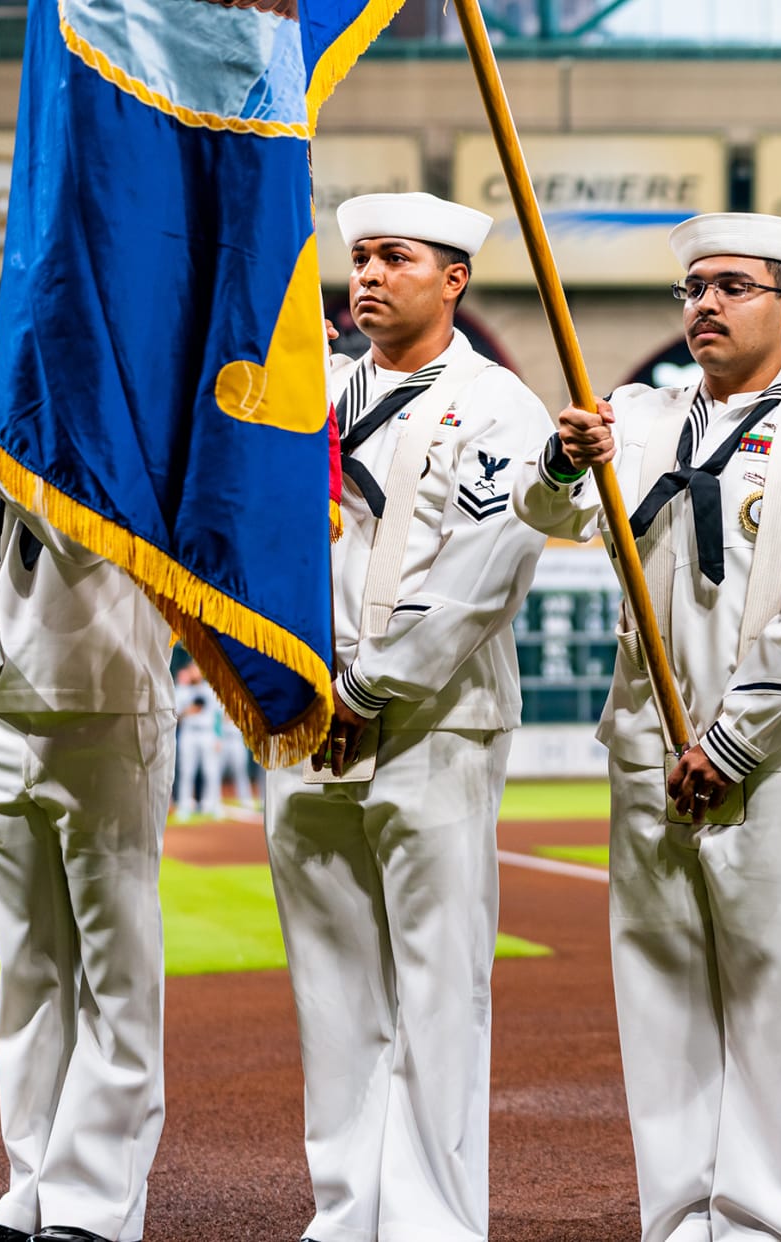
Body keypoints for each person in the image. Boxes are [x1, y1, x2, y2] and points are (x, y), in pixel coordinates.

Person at [514, 213, 781, 1242]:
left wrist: (732, 740)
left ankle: (771, 1225)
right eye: (693, 289)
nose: (707, 305)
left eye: (732, 286)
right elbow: (547, 518)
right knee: (661, 1005)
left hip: (776, 764)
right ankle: (679, 1220)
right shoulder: (637, 418)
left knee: (776, 1005)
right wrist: (562, 461)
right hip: (648, 750)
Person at [263, 192, 552, 1242]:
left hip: (431, 722)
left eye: (395, 257)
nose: (369, 275)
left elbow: (480, 577)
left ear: (454, 280)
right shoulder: (308, 402)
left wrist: (369, 687)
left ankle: (432, 1224)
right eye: (361, 258)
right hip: (303, 722)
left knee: (436, 990)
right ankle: (345, 1215)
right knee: (332, 996)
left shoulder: (498, 407)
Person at [0, 317, 179, 1242]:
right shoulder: (3, 445)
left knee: (116, 978)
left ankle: (98, 1207)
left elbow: (88, 542)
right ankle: (27, 1189)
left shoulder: (114, 426)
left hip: (109, 715)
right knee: (29, 976)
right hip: (10, 715)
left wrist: (7, 419)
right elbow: (12, 578)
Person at [172, 663, 218, 819]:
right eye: (192, 669)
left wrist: (218, 737)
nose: (195, 672)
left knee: (210, 771)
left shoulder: (210, 689)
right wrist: (188, 710)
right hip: (189, 733)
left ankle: (209, 805)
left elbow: (218, 716)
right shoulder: (182, 691)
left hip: (207, 733)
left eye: (197, 669)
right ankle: (184, 805)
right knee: (186, 771)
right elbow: (174, 715)